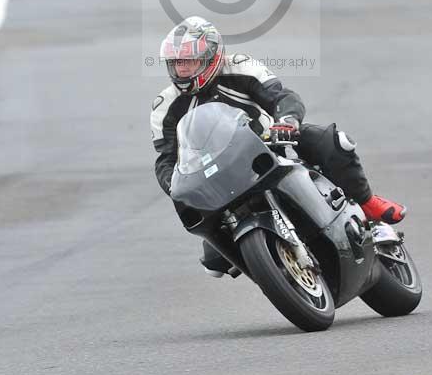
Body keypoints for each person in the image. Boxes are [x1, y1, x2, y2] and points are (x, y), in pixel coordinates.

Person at [151, 16, 407, 277]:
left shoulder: (240, 68)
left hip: (267, 146)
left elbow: (281, 96)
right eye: (176, 63)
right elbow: (166, 158)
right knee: (214, 262)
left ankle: (367, 202)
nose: (182, 69)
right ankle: (271, 268)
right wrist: (174, 183)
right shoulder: (164, 107)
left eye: (189, 61)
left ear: (212, 57)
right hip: (217, 175)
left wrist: (286, 121)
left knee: (331, 141)